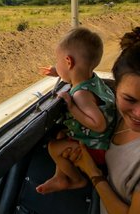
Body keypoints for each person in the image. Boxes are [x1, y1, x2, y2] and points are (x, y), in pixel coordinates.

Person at [63, 27, 140, 214]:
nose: (139, 114)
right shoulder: (119, 117)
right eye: (129, 99)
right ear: (115, 88)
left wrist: (92, 171)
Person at [36, 27, 116, 194]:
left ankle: (76, 180)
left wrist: (72, 107)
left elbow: (99, 124)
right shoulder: (92, 79)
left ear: (68, 62)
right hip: (100, 139)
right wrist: (57, 71)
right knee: (61, 135)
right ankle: (61, 177)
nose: (56, 66)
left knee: (53, 147)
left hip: (97, 148)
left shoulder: (81, 94)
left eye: (58, 62)